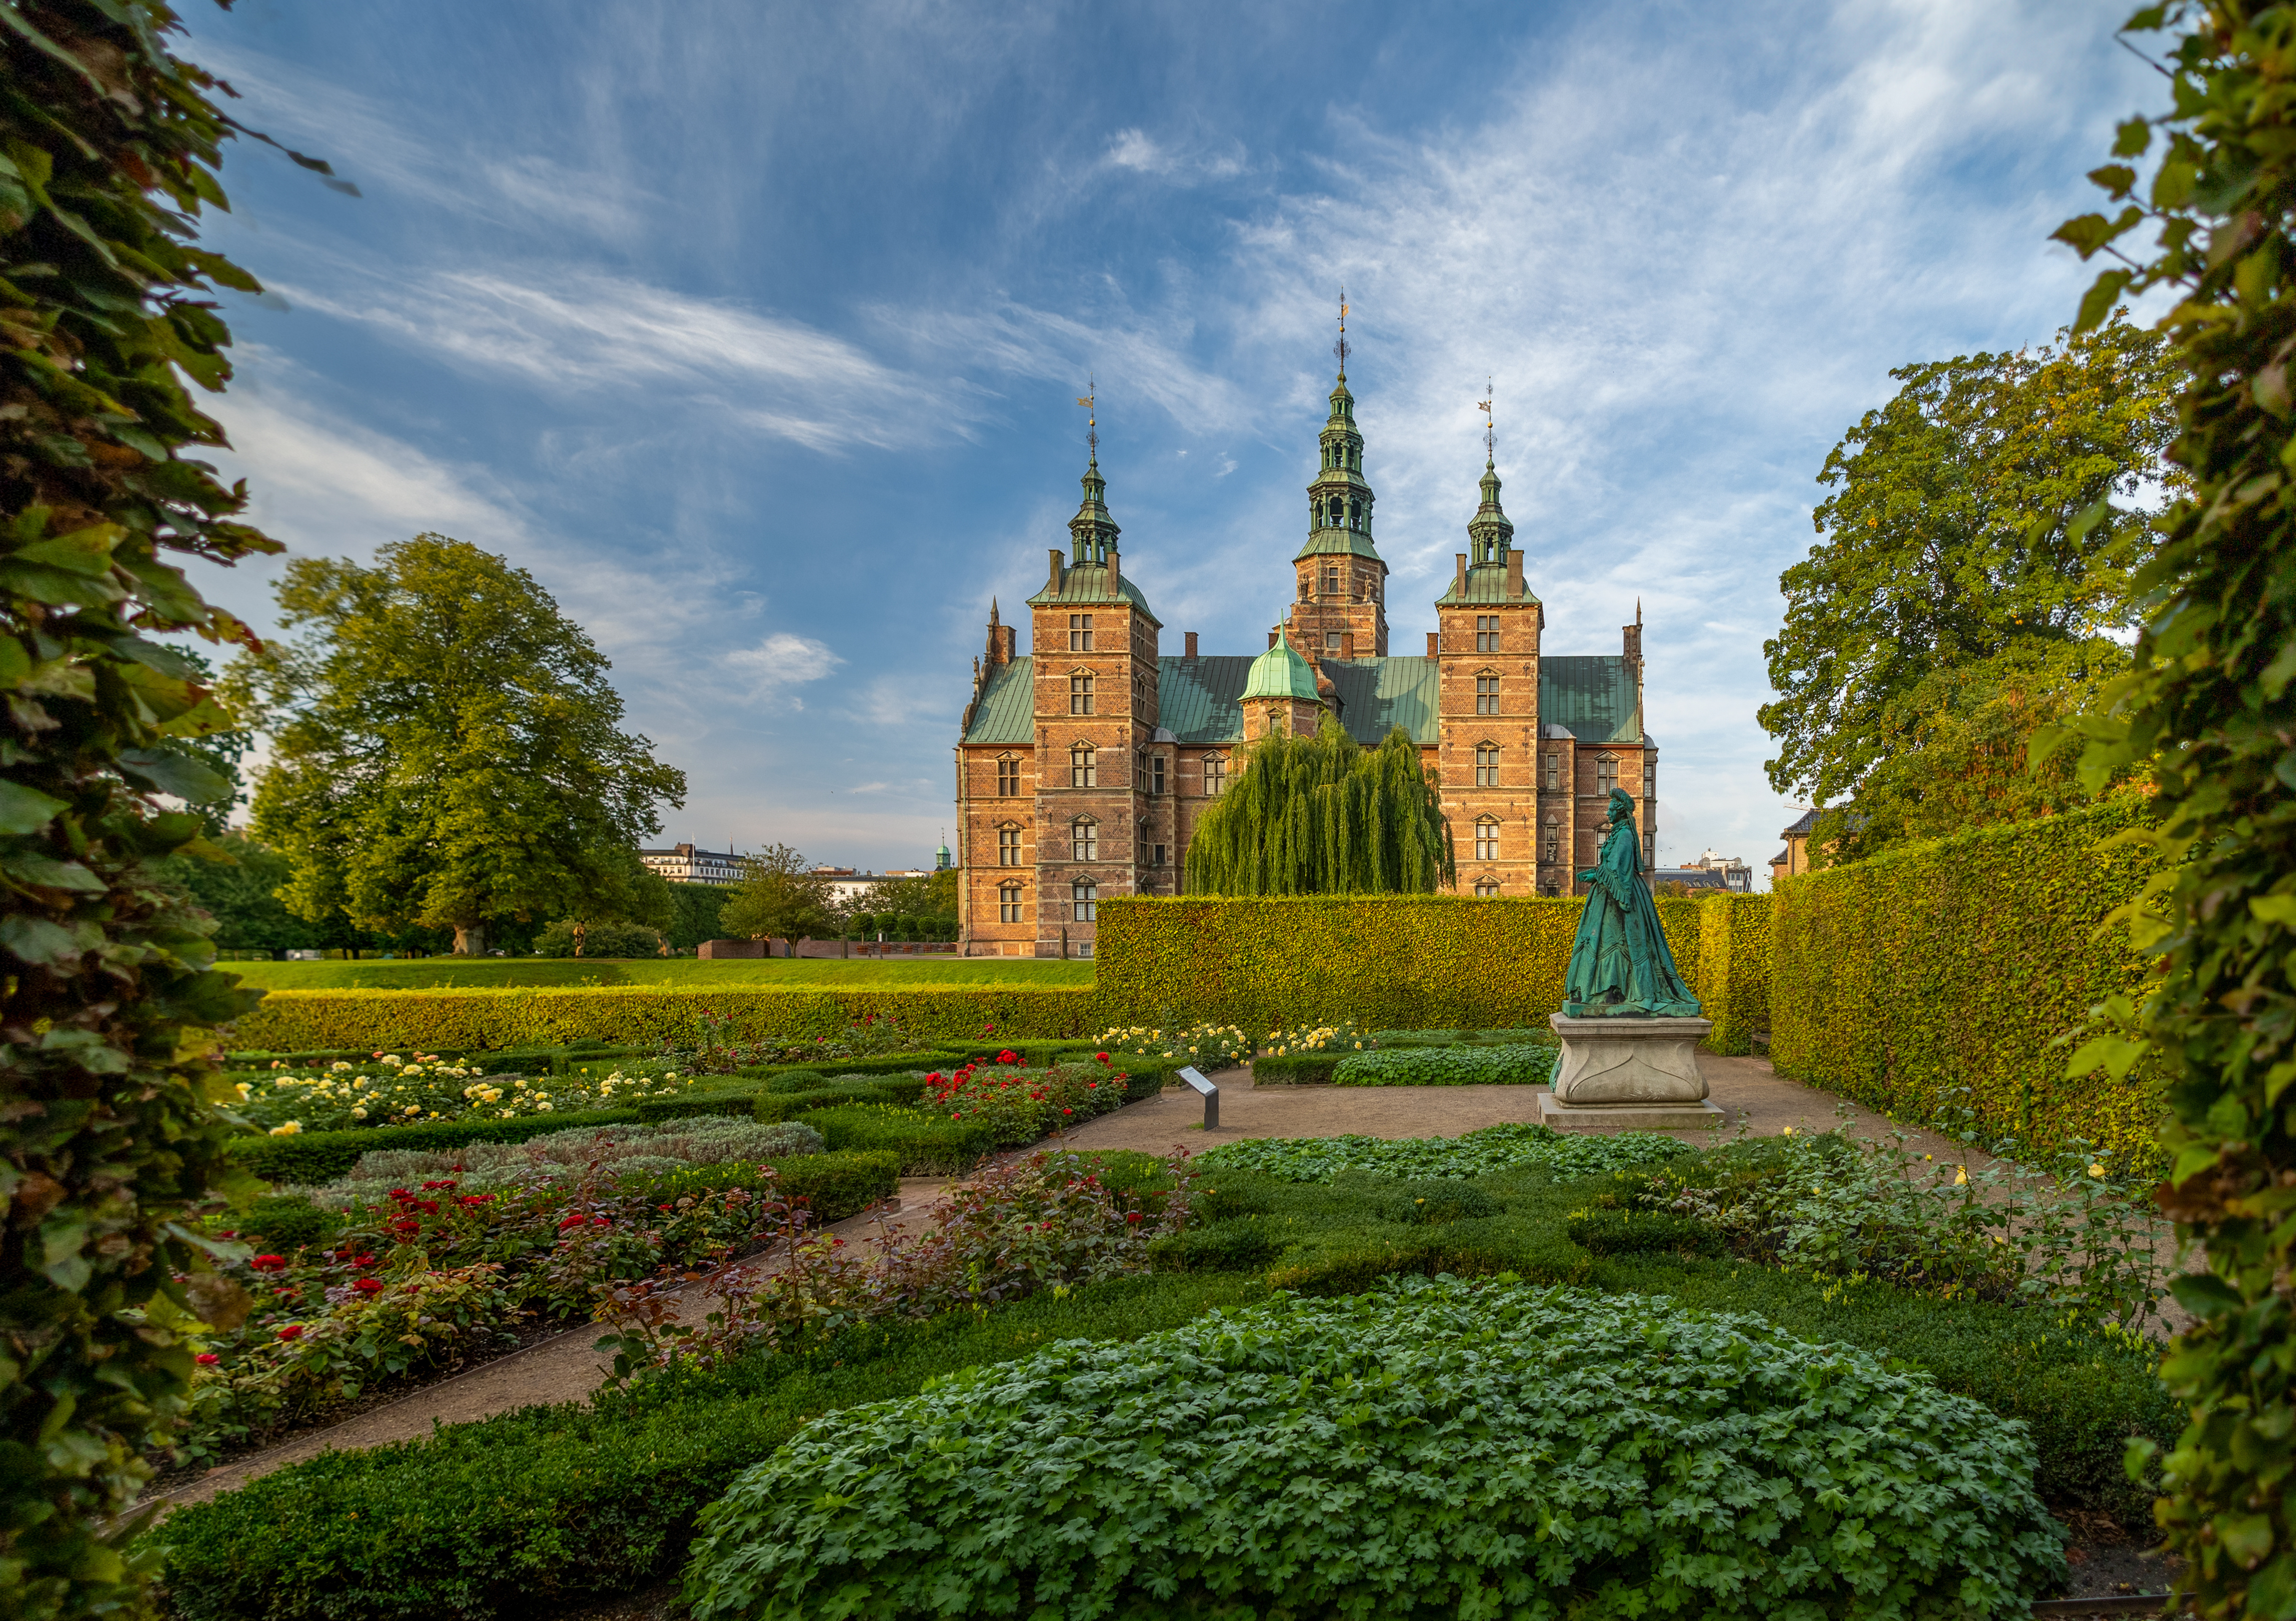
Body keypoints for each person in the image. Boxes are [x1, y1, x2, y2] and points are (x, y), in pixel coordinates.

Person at [1563, 788, 1701, 1018]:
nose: (1607, 813)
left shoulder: (1625, 835)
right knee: (1604, 941)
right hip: (1607, 897)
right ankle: (1606, 991)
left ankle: (1617, 991)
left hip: (1620, 899)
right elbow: (1610, 866)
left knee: (1616, 942)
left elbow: (1618, 870)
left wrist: (1594, 876)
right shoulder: (1617, 834)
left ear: (1620, 812)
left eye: (1611, 810)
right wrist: (1593, 874)